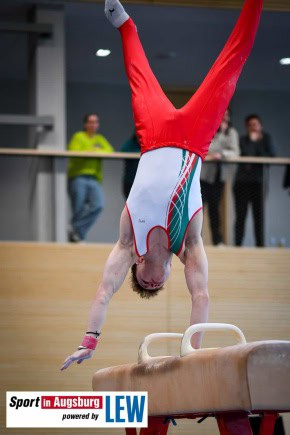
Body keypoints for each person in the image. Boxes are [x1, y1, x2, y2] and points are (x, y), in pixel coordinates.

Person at [61, 0, 264, 370]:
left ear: (137, 268)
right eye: (159, 285)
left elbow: (105, 291)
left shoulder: (127, 244)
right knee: (232, 64)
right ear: (170, 272)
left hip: (153, 135)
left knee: (137, 72)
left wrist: (89, 340)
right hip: (197, 138)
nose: (154, 281)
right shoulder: (188, 244)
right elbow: (200, 295)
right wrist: (194, 352)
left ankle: (123, 23)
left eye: (146, 284)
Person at [67, 113, 114, 242]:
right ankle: (77, 237)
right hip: (78, 176)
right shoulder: (78, 136)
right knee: (78, 208)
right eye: (91, 122)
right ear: (85, 124)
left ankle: (75, 229)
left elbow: (109, 151)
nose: (93, 125)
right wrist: (94, 150)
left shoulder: (99, 138)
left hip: (94, 178)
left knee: (98, 205)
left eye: (96, 122)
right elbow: (74, 151)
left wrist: (92, 150)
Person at [234, 114, 276, 247]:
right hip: (242, 183)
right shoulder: (242, 140)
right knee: (241, 216)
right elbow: (245, 154)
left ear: (260, 125)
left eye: (256, 124)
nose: (254, 127)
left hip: (259, 183)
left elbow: (271, 155)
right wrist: (252, 142)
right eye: (251, 125)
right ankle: (237, 246)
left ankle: (260, 246)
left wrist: (256, 144)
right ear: (247, 127)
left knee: (259, 216)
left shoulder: (266, 138)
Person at [200, 108, 240, 245]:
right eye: (222, 114)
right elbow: (206, 148)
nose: (225, 117)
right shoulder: (209, 129)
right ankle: (196, 240)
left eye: (227, 115)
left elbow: (235, 152)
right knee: (199, 209)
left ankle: (218, 241)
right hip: (204, 176)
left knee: (214, 210)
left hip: (219, 177)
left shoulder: (232, 133)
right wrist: (220, 136)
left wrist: (221, 154)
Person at [120, 131, 140, 199]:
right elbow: (122, 151)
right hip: (130, 180)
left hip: (143, 182)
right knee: (129, 205)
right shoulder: (130, 144)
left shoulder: (148, 145)